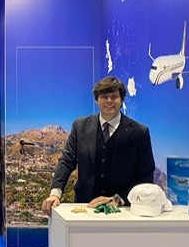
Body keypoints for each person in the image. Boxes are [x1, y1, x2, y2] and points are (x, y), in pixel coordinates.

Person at [42, 76, 155, 214]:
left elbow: (145, 176)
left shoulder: (139, 132)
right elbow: (67, 161)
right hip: (84, 207)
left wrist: (118, 199)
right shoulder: (80, 126)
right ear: (97, 100)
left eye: (114, 97)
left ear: (122, 100)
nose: (109, 101)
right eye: (104, 97)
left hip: (122, 210)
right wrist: (55, 193)